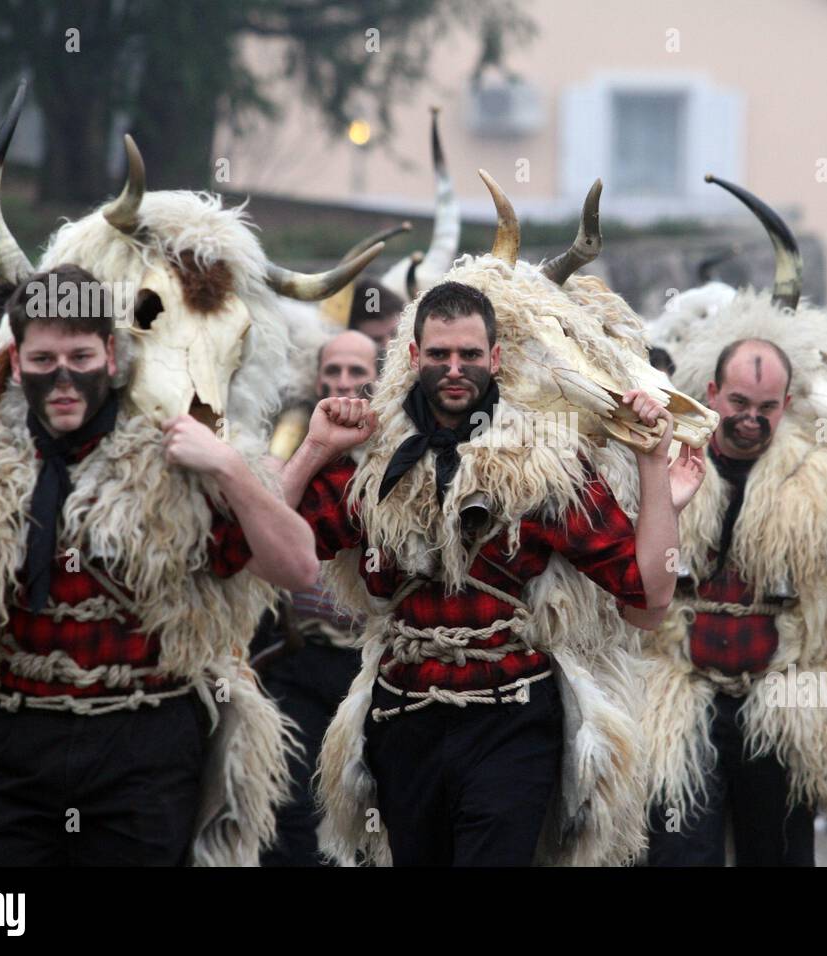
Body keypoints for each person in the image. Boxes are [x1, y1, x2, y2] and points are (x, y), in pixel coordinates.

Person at [0, 266, 318, 865]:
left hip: (143, 746)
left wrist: (228, 467)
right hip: (14, 741)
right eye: (44, 360)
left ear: (113, 355)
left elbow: (298, 567)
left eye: (80, 355)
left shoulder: (178, 458)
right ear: (16, 364)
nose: (63, 377)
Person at [280, 279, 703, 865]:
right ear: (413, 357)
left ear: (495, 359)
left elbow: (649, 600)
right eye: (440, 355)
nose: (455, 369)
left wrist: (653, 466)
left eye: (470, 355)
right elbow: (273, 549)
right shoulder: (373, 461)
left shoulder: (545, 466)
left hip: (512, 722)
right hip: (404, 718)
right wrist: (315, 448)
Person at [642, 338, 827, 866]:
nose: (751, 419)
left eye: (766, 407)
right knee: (678, 854)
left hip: (780, 702)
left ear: (787, 405)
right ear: (712, 393)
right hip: (680, 699)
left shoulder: (825, 485)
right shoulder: (672, 463)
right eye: (738, 403)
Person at [254, 329, 379, 866]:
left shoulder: (404, 446)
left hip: (375, 667)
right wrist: (312, 448)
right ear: (317, 377)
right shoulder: (292, 438)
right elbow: (267, 523)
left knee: (374, 807)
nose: (344, 382)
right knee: (294, 808)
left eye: (357, 372)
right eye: (333, 372)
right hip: (298, 657)